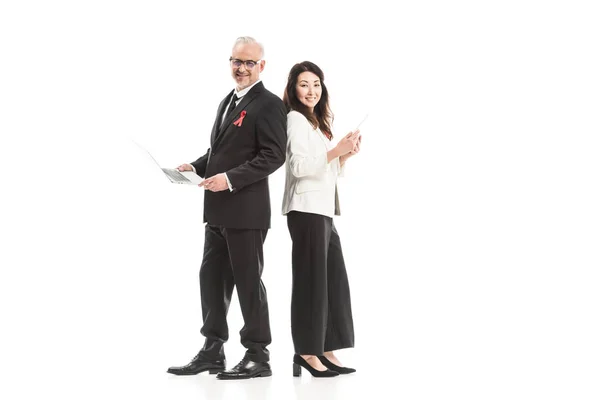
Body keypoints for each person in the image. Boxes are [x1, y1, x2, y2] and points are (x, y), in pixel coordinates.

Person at [167, 36, 287, 380]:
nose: (242, 68)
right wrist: (194, 166)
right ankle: (212, 350)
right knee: (211, 279)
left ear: (261, 66)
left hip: (246, 212)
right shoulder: (227, 101)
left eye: (249, 63)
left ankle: (257, 355)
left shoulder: (268, 104)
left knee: (249, 282)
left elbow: (272, 156)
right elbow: (220, 153)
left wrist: (230, 179)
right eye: (237, 61)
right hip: (217, 211)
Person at [281, 61, 361, 378]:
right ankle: (305, 351)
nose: (312, 90)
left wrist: (344, 155)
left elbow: (325, 171)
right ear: (293, 88)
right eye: (304, 84)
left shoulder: (316, 124)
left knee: (332, 281)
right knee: (311, 283)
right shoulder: (294, 120)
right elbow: (299, 168)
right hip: (306, 211)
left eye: (316, 83)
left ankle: (326, 348)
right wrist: (334, 151)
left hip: (323, 210)